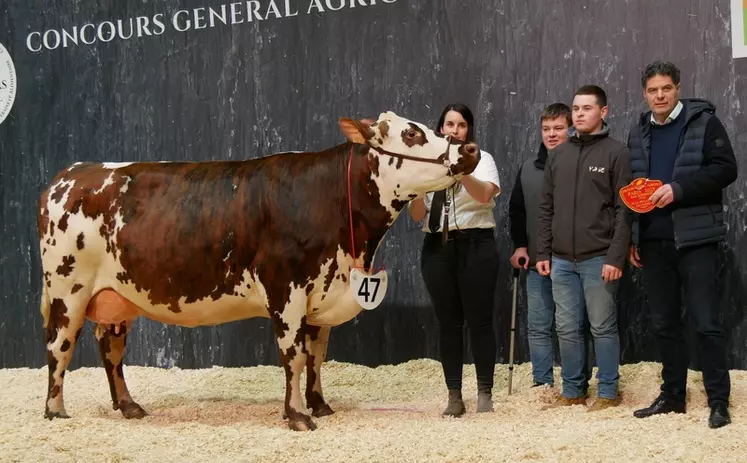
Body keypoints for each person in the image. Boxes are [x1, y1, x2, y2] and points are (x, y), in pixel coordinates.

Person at [627, 61, 737, 429]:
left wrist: (679, 189)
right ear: (644, 93)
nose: (659, 95)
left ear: (678, 88)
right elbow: (633, 187)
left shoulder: (704, 123)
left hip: (696, 240)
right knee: (664, 323)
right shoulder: (639, 130)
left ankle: (718, 401)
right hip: (654, 241)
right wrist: (634, 236)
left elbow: (726, 169)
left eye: (666, 89)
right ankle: (673, 395)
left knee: (706, 323)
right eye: (652, 90)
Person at [535, 85, 631, 411]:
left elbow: (624, 209)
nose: (579, 113)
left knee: (603, 327)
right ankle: (573, 390)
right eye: (576, 108)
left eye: (587, 108)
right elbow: (546, 208)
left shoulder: (617, 152)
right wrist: (543, 253)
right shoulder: (558, 154)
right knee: (565, 327)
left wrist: (616, 256)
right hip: (560, 260)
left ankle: (607, 392)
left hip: (600, 258)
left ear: (603, 112)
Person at [409, 103, 501, 417]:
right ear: (440, 128)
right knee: (448, 324)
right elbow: (417, 214)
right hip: (437, 246)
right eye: (449, 124)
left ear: (468, 130)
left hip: (476, 243)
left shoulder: (481, 158)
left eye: (461, 125)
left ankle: (485, 392)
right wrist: (419, 187)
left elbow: (485, 195)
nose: (454, 130)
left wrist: (461, 173)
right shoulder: (427, 163)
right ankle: (454, 395)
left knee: (480, 322)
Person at [509, 102, 576, 388]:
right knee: (538, 326)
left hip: (572, 261)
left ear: (570, 129)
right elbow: (517, 211)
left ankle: (575, 382)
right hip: (537, 261)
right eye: (546, 129)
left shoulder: (579, 164)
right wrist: (520, 246)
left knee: (571, 326)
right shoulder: (527, 169)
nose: (551, 134)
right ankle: (542, 382)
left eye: (558, 128)